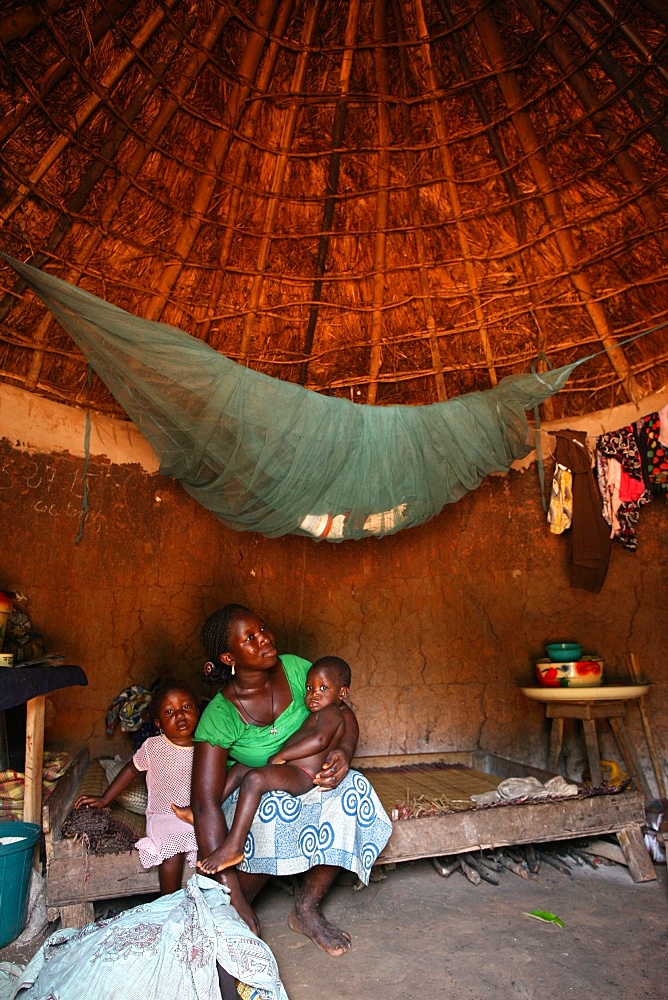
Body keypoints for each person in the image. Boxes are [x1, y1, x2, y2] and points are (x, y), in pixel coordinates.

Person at [191, 604, 392, 957]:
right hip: (257, 792)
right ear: (228, 656)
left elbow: (341, 712)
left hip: (303, 779)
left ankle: (307, 908)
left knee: (354, 788)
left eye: (263, 628)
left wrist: (344, 752)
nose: (265, 638)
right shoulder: (220, 715)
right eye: (250, 638)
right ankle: (238, 894)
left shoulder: (298, 670)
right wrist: (231, 893)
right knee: (271, 804)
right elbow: (205, 801)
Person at [195, 656, 351, 874]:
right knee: (241, 768)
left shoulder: (332, 712)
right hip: (293, 768)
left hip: (302, 774)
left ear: (342, 694)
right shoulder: (320, 711)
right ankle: (205, 809)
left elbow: (320, 740)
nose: (313, 694)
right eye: (309, 688)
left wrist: (282, 755)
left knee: (254, 779)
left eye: (323, 688)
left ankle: (234, 846)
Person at [75, 680, 200, 895]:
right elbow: (130, 770)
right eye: (170, 712)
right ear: (159, 724)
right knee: (171, 850)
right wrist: (105, 799)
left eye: (186, 707)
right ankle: (167, 901)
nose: (180, 715)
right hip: (163, 816)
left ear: (198, 711)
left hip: (195, 814)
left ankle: (205, 899)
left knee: (210, 839)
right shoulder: (153, 747)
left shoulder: (205, 746)